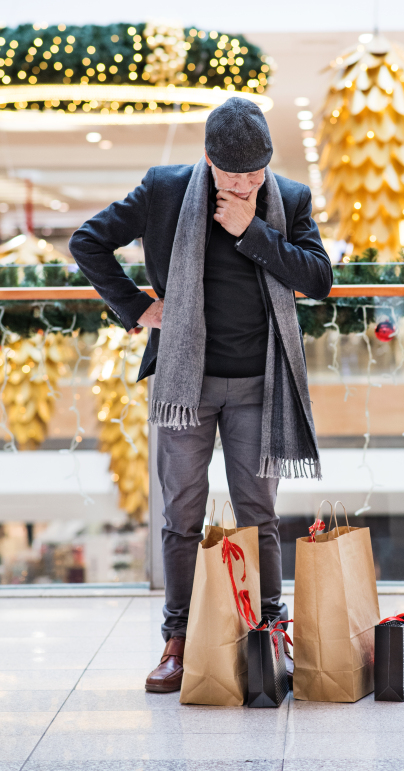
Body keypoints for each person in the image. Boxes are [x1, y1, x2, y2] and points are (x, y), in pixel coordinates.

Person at [69, 97, 332, 693]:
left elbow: (318, 279)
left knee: (259, 516)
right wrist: (137, 308)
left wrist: (253, 232)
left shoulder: (287, 199)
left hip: (259, 385)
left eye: (254, 173)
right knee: (181, 515)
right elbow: (88, 242)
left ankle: (269, 636)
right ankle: (177, 642)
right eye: (232, 174)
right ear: (208, 160)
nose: (244, 184)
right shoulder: (165, 190)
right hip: (185, 386)